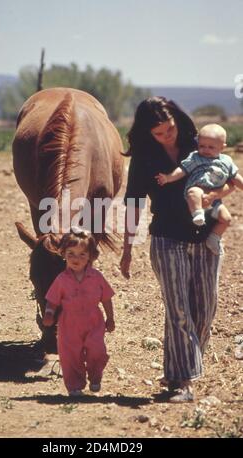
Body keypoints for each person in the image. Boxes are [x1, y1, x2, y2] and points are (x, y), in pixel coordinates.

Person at [120, 97, 235, 403]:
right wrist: (128, 247)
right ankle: (182, 382)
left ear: (176, 120)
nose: (166, 135)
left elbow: (228, 179)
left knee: (205, 308)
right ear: (147, 133)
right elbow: (133, 202)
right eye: (158, 133)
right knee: (179, 310)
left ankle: (179, 371)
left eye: (169, 128)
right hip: (166, 238)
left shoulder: (200, 145)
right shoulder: (144, 157)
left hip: (206, 236)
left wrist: (213, 196)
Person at [43, 227, 115, 396]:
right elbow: (52, 300)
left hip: (93, 321)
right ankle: (75, 386)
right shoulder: (61, 279)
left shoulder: (96, 277)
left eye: (82, 254)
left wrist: (110, 318)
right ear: (63, 254)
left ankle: (96, 375)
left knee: (97, 350)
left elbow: (106, 298)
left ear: (90, 256)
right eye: (71, 254)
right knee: (70, 355)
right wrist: (48, 314)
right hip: (69, 324)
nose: (76, 258)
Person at [155, 123, 243, 255]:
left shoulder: (227, 161)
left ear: (222, 147)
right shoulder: (196, 157)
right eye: (202, 146)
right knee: (193, 192)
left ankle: (214, 238)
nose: (205, 150)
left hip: (215, 202)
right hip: (198, 188)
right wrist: (168, 178)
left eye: (211, 147)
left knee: (226, 219)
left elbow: (236, 177)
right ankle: (197, 213)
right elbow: (182, 170)